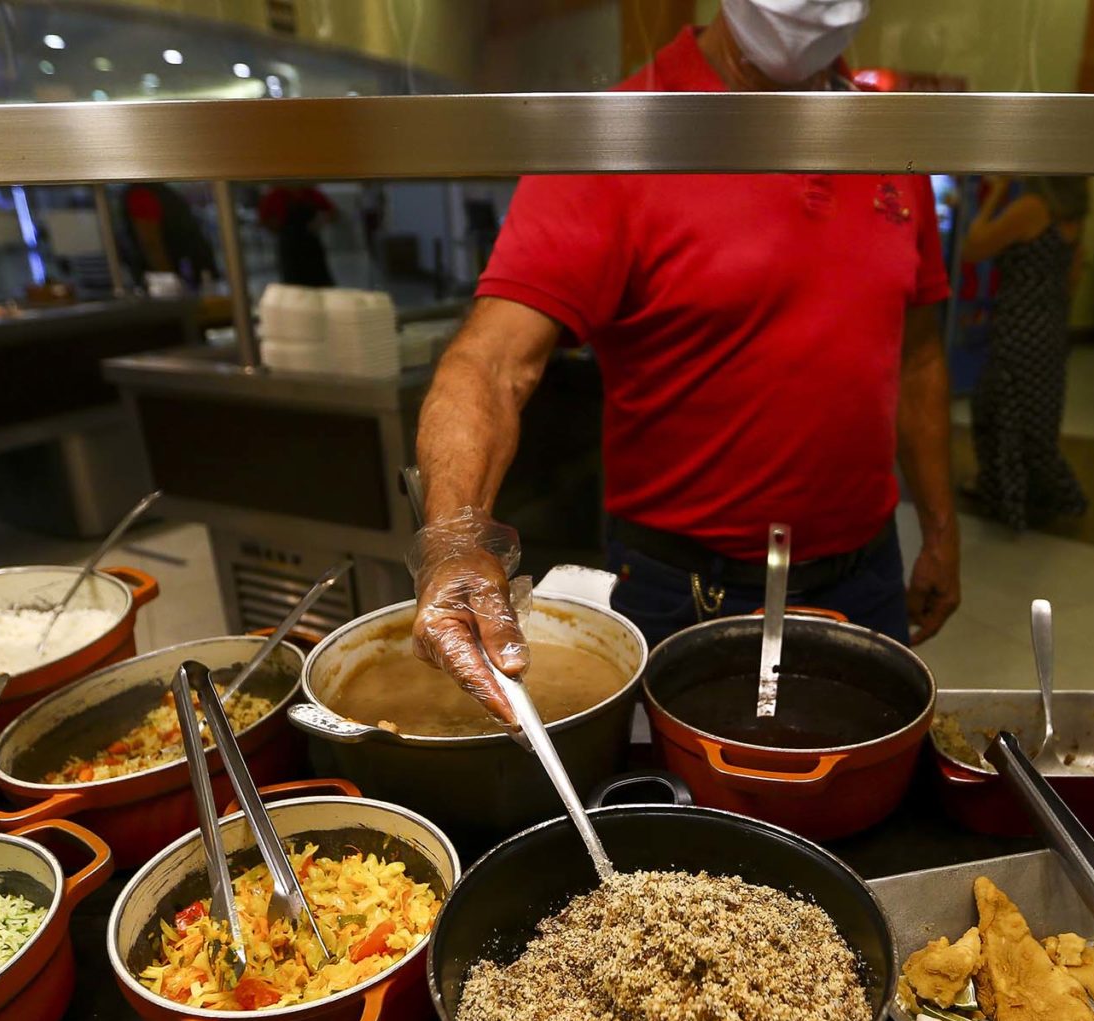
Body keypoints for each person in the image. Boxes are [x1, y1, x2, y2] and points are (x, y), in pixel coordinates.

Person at [406, 0, 958, 720]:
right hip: (690, 592)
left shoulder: (888, 135)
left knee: (866, 802)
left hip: (867, 576)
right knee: (693, 819)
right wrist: (453, 538)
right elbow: (489, 363)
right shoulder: (624, 133)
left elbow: (916, 359)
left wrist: (942, 529)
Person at [960, 176, 1089, 533]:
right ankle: (1037, 496)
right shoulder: (1072, 217)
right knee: (1036, 416)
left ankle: (1004, 492)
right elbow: (1073, 277)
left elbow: (973, 248)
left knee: (999, 406)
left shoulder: (1031, 209)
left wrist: (996, 194)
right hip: (1051, 327)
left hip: (1019, 325)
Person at [121, 182, 217, 287]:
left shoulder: (156, 190)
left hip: (195, 277)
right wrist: (171, 284)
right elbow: (150, 244)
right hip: (183, 280)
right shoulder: (141, 194)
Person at [257, 183, 338, 287]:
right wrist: (276, 227)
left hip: (311, 244)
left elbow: (333, 213)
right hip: (289, 245)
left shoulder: (311, 193)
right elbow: (262, 220)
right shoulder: (275, 195)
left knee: (318, 281)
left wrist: (319, 222)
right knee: (293, 282)